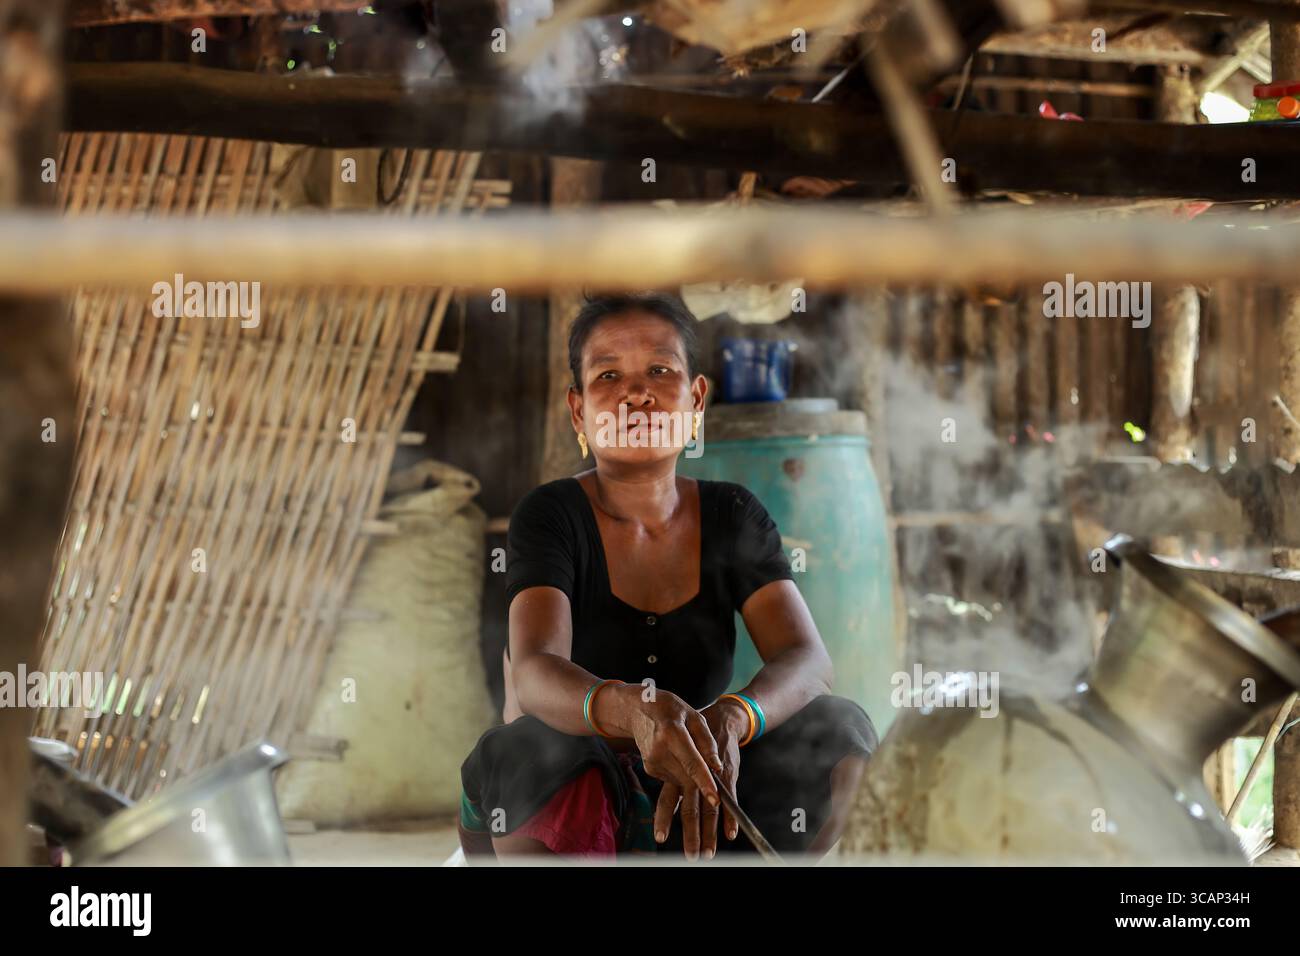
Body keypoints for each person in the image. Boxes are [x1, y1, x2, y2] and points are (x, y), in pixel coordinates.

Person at [459, 292, 877, 861]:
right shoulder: (550, 514)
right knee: (527, 749)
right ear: (579, 411)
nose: (636, 392)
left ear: (696, 398)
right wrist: (637, 713)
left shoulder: (732, 514)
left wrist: (733, 718)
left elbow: (808, 661)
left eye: (660, 369)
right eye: (609, 375)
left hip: (708, 788)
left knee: (840, 728)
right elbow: (534, 674)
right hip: (583, 801)